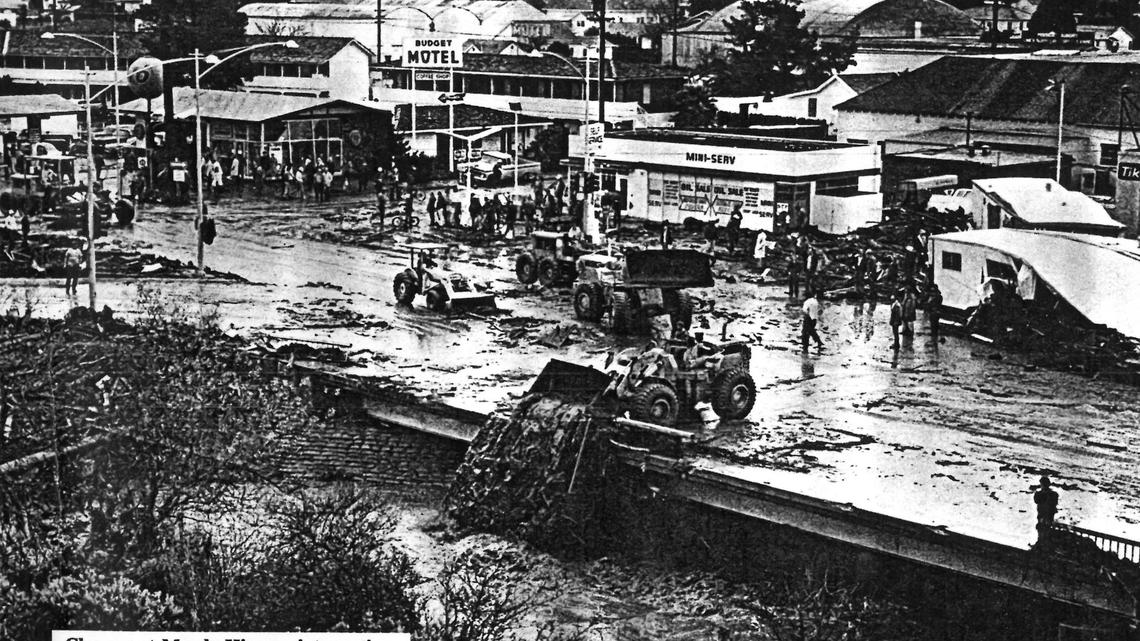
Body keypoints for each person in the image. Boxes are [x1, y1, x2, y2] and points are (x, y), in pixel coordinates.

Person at [1034, 475, 1059, 545]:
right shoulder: (1051, 494)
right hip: (1043, 515)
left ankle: (1043, 543)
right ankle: (1041, 542)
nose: (1043, 486)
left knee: (1045, 529)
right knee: (1041, 528)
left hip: (1047, 515)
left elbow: (1053, 503)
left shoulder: (1052, 494)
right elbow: (1036, 500)